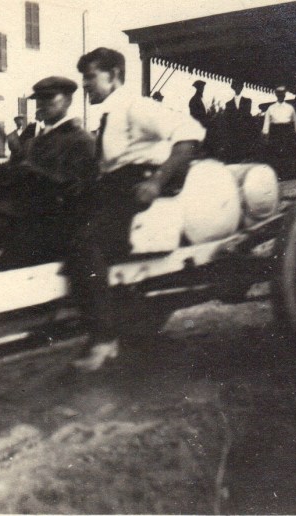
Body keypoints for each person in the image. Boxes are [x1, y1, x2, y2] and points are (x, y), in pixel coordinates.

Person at [70, 47, 206, 371]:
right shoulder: (108, 113)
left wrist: (157, 182)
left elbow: (189, 134)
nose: (85, 85)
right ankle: (126, 319)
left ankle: (104, 339)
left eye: (90, 77)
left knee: (86, 245)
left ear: (114, 75)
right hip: (110, 186)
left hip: (133, 186)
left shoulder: (137, 106)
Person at [0, 76, 97, 270]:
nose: (41, 103)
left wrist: (33, 175)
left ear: (68, 100)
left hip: (48, 225)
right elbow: (1, 178)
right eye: (38, 98)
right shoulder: (34, 142)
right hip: (23, 217)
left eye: (48, 97)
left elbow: (77, 192)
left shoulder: (81, 142)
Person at [261, 85, 296, 177]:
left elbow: (295, 122)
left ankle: (287, 175)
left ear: (285, 95)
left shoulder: (290, 107)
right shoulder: (271, 108)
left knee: (287, 153)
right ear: (276, 94)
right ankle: (278, 175)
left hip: (287, 131)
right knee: (276, 153)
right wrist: (265, 134)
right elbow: (266, 123)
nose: (281, 95)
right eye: (279, 94)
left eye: (282, 94)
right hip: (275, 132)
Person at [220, 78, 254, 162]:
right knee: (234, 156)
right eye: (236, 87)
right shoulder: (228, 104)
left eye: (240, 87)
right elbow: (227, 120)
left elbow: (247, 115)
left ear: (242, 88)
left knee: (244, 156)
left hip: (244, 133)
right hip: (233, 134)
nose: (238, 88)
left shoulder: (247, 101)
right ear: (233, 88)